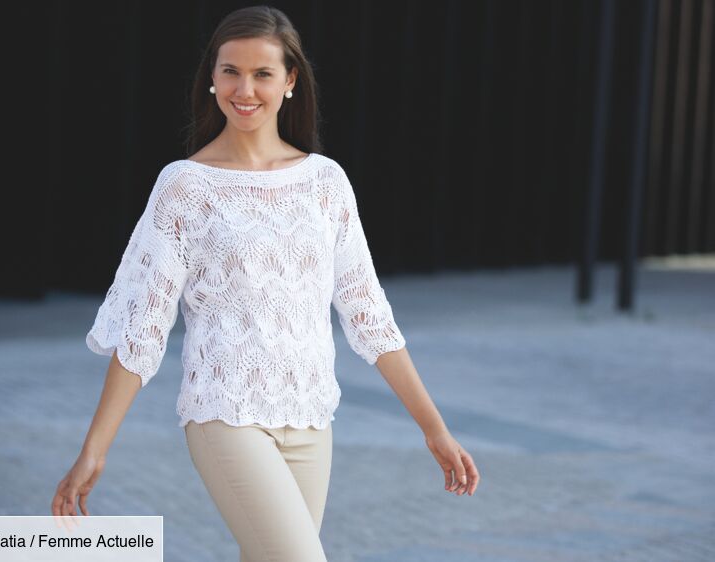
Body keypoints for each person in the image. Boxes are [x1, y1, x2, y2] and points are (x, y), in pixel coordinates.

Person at [52, 5, 479, 561]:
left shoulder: (326, 183)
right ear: (211, 77)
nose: (244, 88)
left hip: (310, 418)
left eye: (262, 74)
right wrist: (95, 450)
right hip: (224, 416)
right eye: (230, 71)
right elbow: (142, 330)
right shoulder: (185, 187)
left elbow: (370, 316)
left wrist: (435, 429)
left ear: (290, 81)